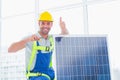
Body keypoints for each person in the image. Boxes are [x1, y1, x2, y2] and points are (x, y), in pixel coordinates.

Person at [8, 11, 68, 80]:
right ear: (39, 23)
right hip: (36, 76)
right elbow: (10, 49)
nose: (45, 26)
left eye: (48, 23)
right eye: (43, 23)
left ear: (51, 25)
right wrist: (28, 40)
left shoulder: (52, 39)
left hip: (49, 74)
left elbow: (65, 36)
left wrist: (63, 28)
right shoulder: (31, 38)